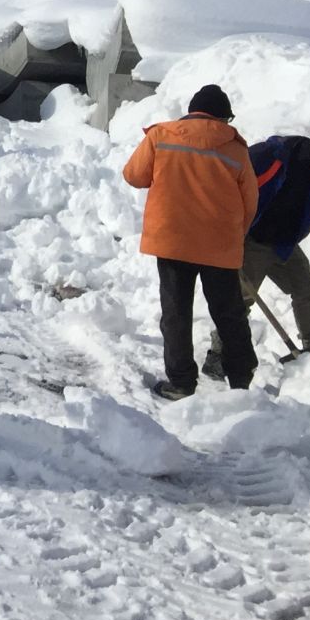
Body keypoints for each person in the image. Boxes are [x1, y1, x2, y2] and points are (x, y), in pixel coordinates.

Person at [121, 84, 259, 399]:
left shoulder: (160, 136)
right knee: (229, 314)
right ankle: (240, 383)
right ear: (223, 117)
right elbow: (250, 201)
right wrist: (236, 236)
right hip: (220, 247)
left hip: (173, 242)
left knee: (176, 313)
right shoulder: (236, 149)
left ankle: (181, 383)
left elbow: (133, 175)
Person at [204, 122, 310, 375]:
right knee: (240, 300)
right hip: (252, 240)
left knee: (306, 289)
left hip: (284, 245)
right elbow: (228, 184)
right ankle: (220, 355)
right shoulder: (273, 156)